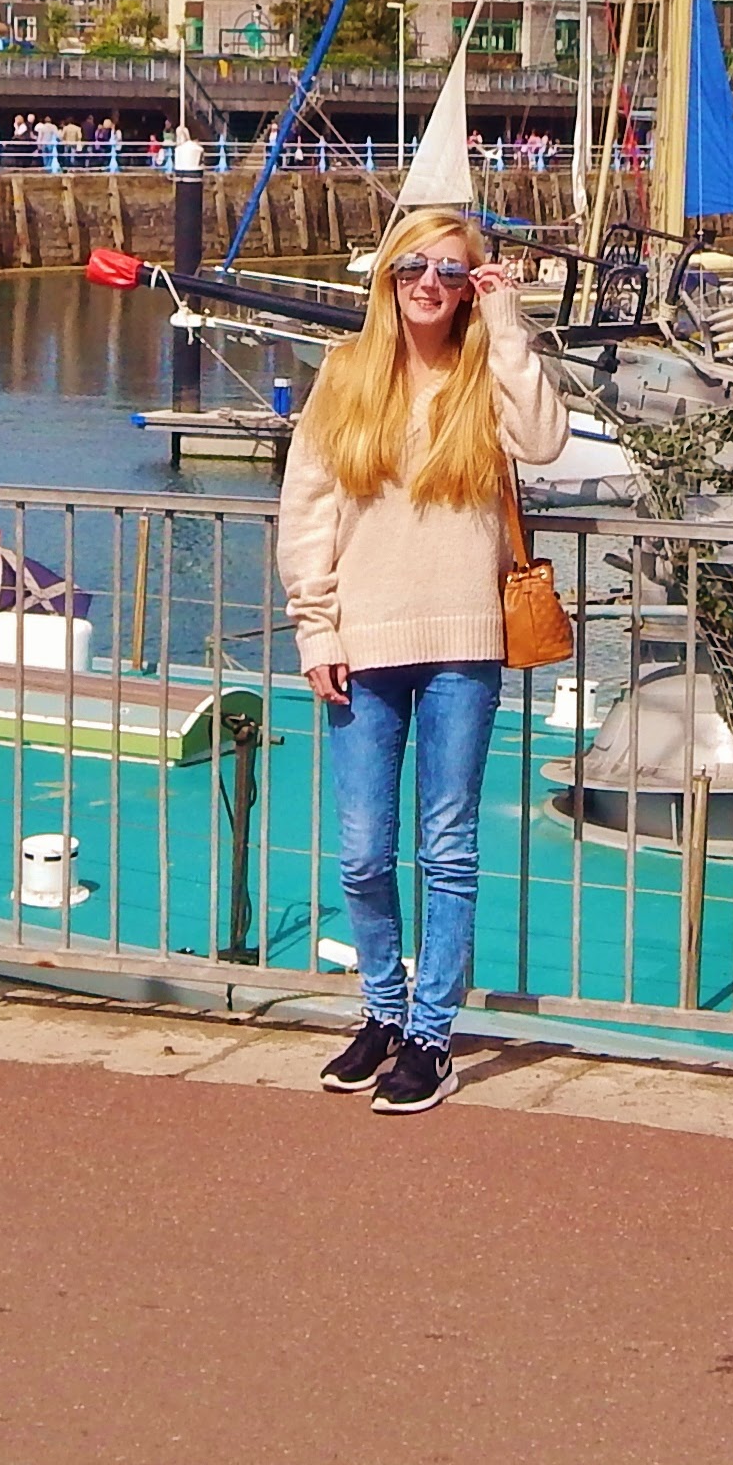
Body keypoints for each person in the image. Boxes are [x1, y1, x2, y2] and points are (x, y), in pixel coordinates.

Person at [274, 206, 567, 1115]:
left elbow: (546, 439)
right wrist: (314, 628)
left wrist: (508, 321)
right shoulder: (346, 376)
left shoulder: (487, 375)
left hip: (463, 648)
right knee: (363, 854)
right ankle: (383, 1011)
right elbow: (308, 510)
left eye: (449, 271)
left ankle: (431, 1037)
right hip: (361, 647)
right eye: (411, 269)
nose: (428, 285)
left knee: (447, 849)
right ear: (386, 280)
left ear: (470, 284)